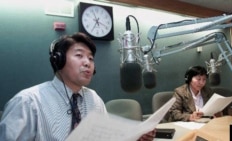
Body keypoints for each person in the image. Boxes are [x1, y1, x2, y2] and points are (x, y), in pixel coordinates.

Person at [0, 32, 155, 140]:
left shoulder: (93, 98)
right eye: (79, 55)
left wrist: (135, 138)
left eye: (90, 58)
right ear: (58, 60)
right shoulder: (27, 102)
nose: (87, 63)